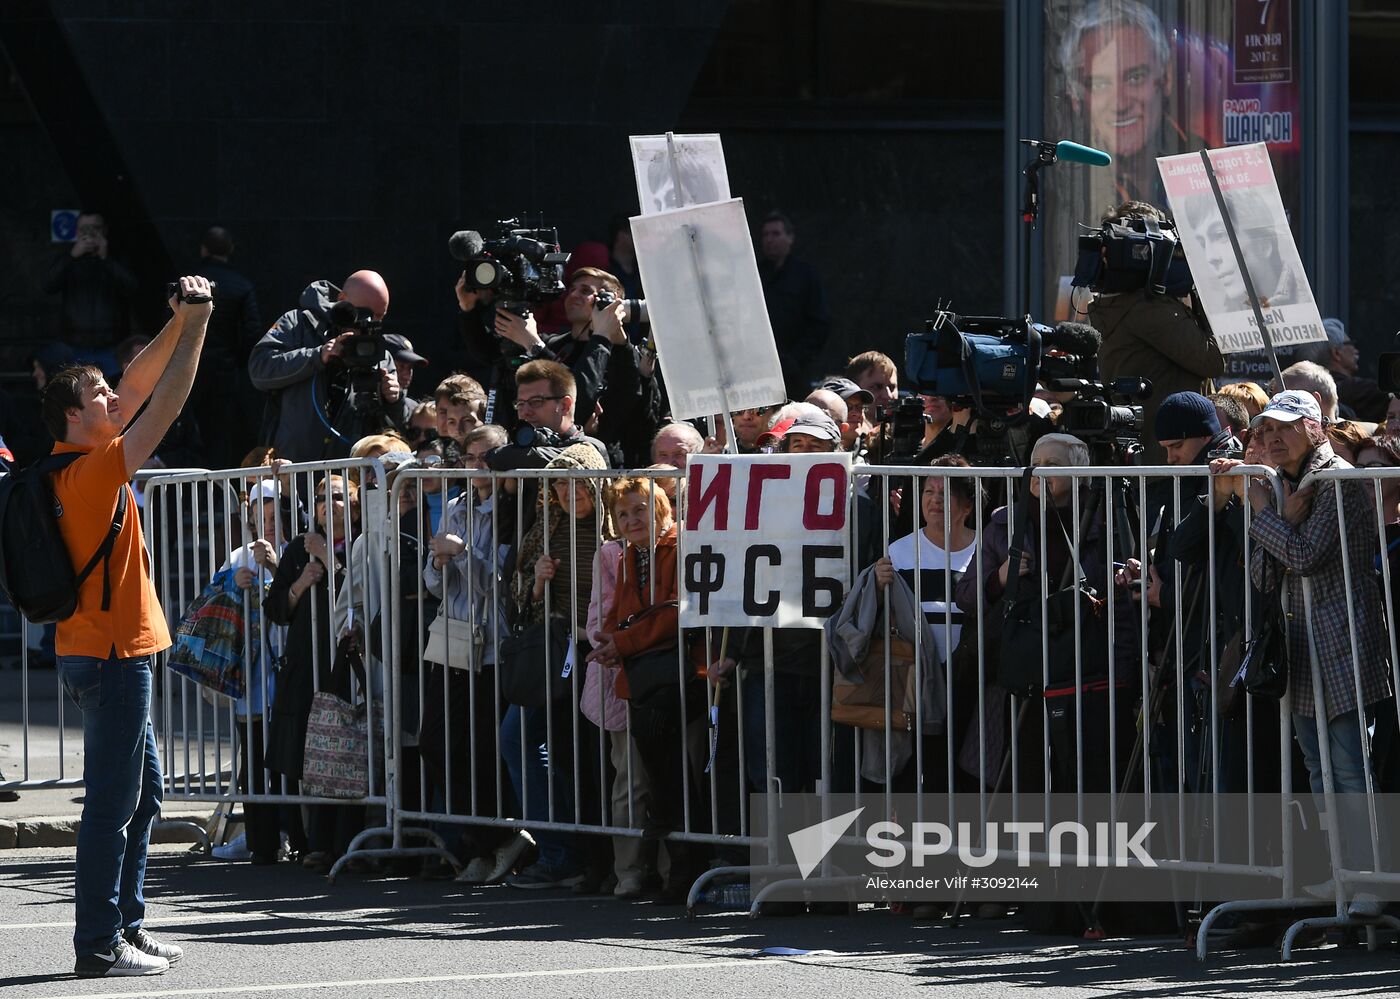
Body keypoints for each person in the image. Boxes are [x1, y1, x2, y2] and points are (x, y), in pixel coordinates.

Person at [45, 274, 213, 977]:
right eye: (100, 398)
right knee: (113, 805)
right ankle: (97, 944)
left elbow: (140, 386)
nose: (115, 398)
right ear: (75, 420)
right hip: (113, 658)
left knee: (141, 798)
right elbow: (164, 404)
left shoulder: (80, 459)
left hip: (116, 653)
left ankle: (126, 926)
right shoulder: (90, 473)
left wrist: (177, 317)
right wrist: (199, 325)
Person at [1223, 390, 1391, 917]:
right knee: (1319, 769)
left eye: (1285, 428)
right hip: (1300, 645)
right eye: (1265, 429)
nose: (1271, 438)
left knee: (1347, 767)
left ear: (1315, 428)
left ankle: (1370, 879)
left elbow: (1301, 554)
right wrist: (1278, 515)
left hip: (1341, 640)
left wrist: (1262, 512)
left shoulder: (1335, 481)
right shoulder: (1285, 484)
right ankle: (1344, 872)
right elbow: (1262, 573)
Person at [421, 424, 529, 883]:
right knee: (438, 744)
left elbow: (500, 585)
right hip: (453, 640)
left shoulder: (511, 510)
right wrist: (439, 562)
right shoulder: (453, 507)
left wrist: (463, 554)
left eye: (487, 457)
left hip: (493, 645)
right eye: (470, 458)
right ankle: (479, 843)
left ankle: (501, 840)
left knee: (482, 750)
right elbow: (432, 585)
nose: (478, 466)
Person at [501, 442, 609, 890]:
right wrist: (538, 582)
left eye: (578, 487)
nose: (569, 495)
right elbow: (518, 592)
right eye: (560, 487)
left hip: (601, 652)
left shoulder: (613, 528)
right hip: (555, 652)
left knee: (585, 759)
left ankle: (589, 858)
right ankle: (559, 851)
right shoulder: (547, 527)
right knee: (524, 742)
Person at [263, 473, 364, 875]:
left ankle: (345, 842)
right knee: (312, 753)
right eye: (321, 498)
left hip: (346, 662)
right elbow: (275, 610)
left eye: (338, 497)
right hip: (306, 662)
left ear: (354, 504)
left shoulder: (361, 543)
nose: (327, 505)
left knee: (347, 750)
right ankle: (314, 843)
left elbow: (354, 593)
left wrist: (327, 558)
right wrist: (301, 582)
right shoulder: (297, 549)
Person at [872, 456, 982, 790]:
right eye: (928, 490)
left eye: (945, 491)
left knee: (963, 770)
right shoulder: (900, 550)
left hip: (970, 679)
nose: (934, 499)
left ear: (967, 504)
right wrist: (876, 584)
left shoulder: (986, 548)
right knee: (919, 768)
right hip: (916, 681)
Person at [1089, 202, 1225, 465]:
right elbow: (1212, 360)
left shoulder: (1115, 304)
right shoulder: (1146, 309)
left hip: (1149, 456)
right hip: (1167, 460)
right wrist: (1208, 301)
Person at [248, 271, 412, 461]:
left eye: (379, 317)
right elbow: (259, 369)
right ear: (342, 300)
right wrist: (317, 355)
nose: (370, 323)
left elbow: (397, 428)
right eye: (365, 314)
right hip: (293, 470)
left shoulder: (379, 355)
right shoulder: (298, 324)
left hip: (349, 477)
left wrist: (394, 400)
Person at [465, 267, 626, 433]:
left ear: (608, 302)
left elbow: (579, 395)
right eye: (572, 289)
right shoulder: (555, 343)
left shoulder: (617, 354)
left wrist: (533, 344)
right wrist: (468, 309)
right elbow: (490, 354)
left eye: (585, 291)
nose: (573, 295)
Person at [192, 226, 264, 467]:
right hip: (225, 370)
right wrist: (239, 362)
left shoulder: (190, 281)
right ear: (230, 249)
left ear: (203, 249)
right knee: (221, 434)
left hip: (191, 368)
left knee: (191, 429)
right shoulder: (241, 285)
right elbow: (252, 331)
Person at [41, 211, 137, 371]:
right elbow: (48, 286)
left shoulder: (117, 255)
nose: (89, 234)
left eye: (94, 228)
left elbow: (132, 287)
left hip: (112, 345)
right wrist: (72, 256)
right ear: (77, 232)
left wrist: (106, 259)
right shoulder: (67, 255)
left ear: (104, 230)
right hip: (74, 345)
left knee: (113, 392)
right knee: (76, 392)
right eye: (84, 229)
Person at [758, 211, 830, 400]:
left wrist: (794, 360)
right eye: (765, 235)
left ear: (790, 237)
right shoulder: (754, 274)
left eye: (776, 234)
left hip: (797, 370)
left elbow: (819, 323)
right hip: (760, 369)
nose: (770, 240)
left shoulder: (806, 275)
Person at [1294, 318, 1386, 423]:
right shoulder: (1362, 390)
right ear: (1336, 353)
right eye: (1350, 343)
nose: (1356, 350)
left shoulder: (1302, 391)